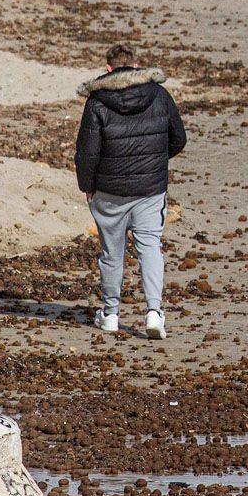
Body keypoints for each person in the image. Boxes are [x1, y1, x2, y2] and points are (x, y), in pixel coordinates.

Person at [74, 44, 187, 340]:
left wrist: (87, 185)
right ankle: (154, 311)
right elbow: (179, 138)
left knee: (112, 253)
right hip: (149, 188)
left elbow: (87, 151)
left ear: (109, 68)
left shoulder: (97, 101)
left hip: (109, 190)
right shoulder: (159, 94)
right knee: (149, 246)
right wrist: (154, 163)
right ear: (136, 66)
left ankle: (110, 314)